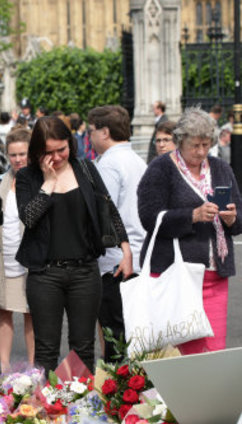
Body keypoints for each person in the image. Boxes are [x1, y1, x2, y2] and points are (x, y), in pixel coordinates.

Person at [15, 116, 130, 374]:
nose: (56, 157)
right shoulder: (27, 177)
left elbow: (108, 207)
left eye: (62, 149)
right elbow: (28, 218)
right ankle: (46, 411)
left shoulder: (85, 168)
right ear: (37, 152)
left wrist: (125, 249)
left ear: (71, 144)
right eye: (49, 152)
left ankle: (83, 410)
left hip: (85, 271)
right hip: (45, 275)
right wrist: (49, 183)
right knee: (46, 350)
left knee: (84, 348)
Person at [137, 107, 242, 355]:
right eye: (195, 145)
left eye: (206, 145)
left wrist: (232, 219)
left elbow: (239, 220)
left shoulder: (220, 168)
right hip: (176, 275)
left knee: (214, 350)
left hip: (215, 275)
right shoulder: (160, 168)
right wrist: (192, 216)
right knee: (181, 352)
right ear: (180, 141)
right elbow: (148, 218)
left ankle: (210, 394)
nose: (201, 152)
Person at [87, 105, 145, 362]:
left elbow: (103, 213)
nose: (89, 137)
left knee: (115, 335)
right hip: (137, 253)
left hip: (114, 259)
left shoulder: (109, 164)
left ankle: (117, 393)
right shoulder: (136, 160)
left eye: (91, 131)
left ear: (105, 132)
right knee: (132, 331)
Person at [0, 127, 35, 370]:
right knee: (3, 312)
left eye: (22, 154)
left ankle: (34, 368)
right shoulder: (1, 181)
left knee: (31, 315)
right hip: (4, 259)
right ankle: (3, 368)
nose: (17, 159)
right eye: (13, 155)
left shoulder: (40, 181)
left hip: (31, 260)